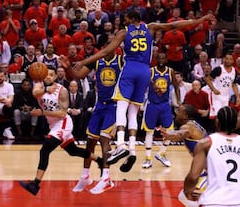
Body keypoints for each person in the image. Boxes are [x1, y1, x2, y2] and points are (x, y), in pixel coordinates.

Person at [61, 10, 214, 172]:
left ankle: (120, 144)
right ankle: (132, 149)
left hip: (130, 69)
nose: (123, 21)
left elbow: (106, 52)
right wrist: (201, 19)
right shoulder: (151, 27)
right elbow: (175, 24)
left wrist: (83, 60)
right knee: (133, 112)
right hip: (145, 71)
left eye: (126, 18)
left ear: (132, 19)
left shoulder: (124, 32)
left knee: (121, 107)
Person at [19, 66, 103, 196]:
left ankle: (35, 184)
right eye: (47, 74)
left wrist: (42, 112)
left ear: (56, 77)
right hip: (53, 125)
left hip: (63, 123)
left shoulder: (62, 91)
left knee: (44, 150)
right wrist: (46, 89)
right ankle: (100, 161)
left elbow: (63, 113)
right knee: (73, 151)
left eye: (52, 75)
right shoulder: (39, 86)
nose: (49, 77)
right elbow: (35, 93)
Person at [61, 49, 123, 194]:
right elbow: (78, 75)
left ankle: (106, 177)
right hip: (99, 104)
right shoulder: (97, 61)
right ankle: (85, 176)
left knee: (104, 138)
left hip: (114, 105)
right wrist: (67, 67)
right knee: (90, 141)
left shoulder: (121, 61)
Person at [183, 106, 240, 206]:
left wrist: (187, 191)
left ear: (217, 122)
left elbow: (193, 177)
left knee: (184, 197)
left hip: (213, 202)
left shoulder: (205, 143)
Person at [161, 104, 208, 206]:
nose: (176, 113)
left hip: (212, 171)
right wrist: (170, 133)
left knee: (187, 195)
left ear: (185, 116)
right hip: (210, 168)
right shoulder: (195, 125)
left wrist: (170, 135)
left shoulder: (187, 127)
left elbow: (182, 133)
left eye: (179, 111)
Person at [141, 53, 180, 169]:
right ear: (156, 59)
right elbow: (144, 84)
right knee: (149, 131)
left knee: (170, 131)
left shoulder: (170, 71)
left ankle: (161, 153)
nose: (161, 60)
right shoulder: (151, 71)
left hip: (164, 105)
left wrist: (179, 102)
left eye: (163, 58)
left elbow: (176, 87)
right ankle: (148, 158)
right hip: (152, 105)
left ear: (166, 59)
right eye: (159, 58)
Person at [204, 52, 240, 120]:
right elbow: (207, 79)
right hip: (216, 96)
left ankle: (222, 130)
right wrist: (213, 89)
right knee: (217, 115)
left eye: (230, 59)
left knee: (224, 116)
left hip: (226, 96)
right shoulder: (219, 69)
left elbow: (234, 84)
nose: (228, 61)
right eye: (226, 59)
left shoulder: (234, 71)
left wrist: (238, 96)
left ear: (233, 61)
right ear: (224, 59)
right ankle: (214, 130)